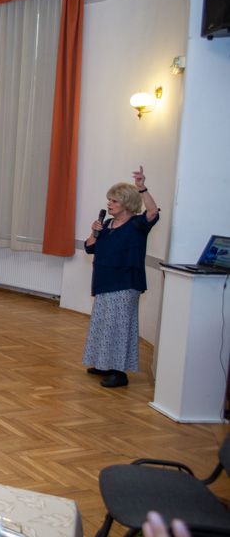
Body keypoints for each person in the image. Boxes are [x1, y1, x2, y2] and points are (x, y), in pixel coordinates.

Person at [83, 166, 159, 388]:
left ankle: (119, 372)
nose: (109, 204)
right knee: (102, 325)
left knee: (119, 327)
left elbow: (153, 212)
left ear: (126, 203)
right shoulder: (107, 224)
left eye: (114, 201)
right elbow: (89, 247)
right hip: (104, 281)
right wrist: (94, 231)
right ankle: (103, 363)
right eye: (109, 200)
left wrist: (142, 188)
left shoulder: (137, 224)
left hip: (126, 283)